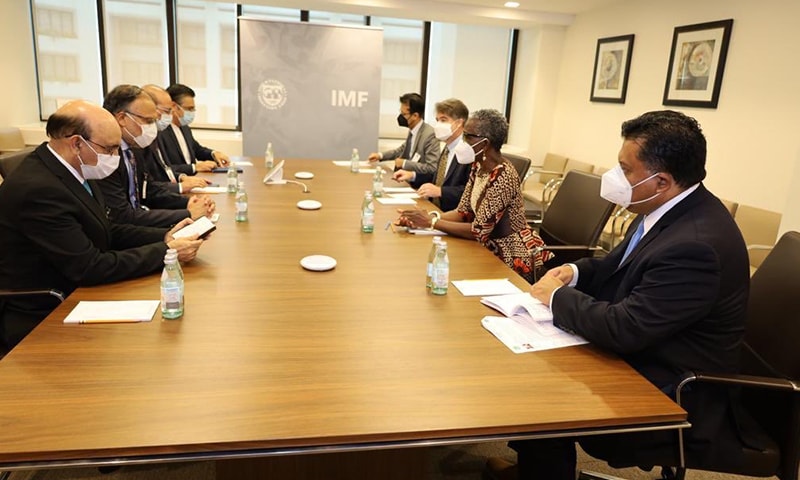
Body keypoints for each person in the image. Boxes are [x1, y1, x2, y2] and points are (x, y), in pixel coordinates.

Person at [484, 110, 751, 480]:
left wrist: (557, 298)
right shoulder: (666, 207)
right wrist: (574, 273)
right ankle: (535, 467)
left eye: (626, 170)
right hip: (650, 351)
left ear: (662, 181)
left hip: (675, 387)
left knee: (543, 388)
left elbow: (626, 329)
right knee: (530, 363)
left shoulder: (696, 245)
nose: (616, 177)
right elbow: (618, 264)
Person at [0, 100, 204, 352]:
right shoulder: (39, 189)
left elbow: (108, 229)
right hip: (45, 311)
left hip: (78, 293)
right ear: (76, 143)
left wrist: (164, 237)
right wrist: (167, 253)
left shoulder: (76, 170)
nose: (115, 157)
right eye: (109, 149)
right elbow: (89, 267)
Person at [395, 109, 548, 284]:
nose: (463, 140)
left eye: (468, 136)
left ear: (484, 144)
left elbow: (479, 231)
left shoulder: (504, 175)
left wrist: (431, 223)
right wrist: (424, 218)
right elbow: (463, 212)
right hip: (486, 248)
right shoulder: (478, 166)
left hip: (511, 257)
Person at [98, 84, 215, 228]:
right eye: (148, 121)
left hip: (138, 225)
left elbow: (149, 190)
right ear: (122, 118)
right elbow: (122, 216)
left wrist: (189, 203)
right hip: (124, 233)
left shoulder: (135, 147)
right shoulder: (104, 157)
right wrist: (187, 214)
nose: (152, 127)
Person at [392, 98, 471, 212]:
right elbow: (438, 178)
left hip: (451, 216)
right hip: (433, 209)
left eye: (443, 120)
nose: (438, 125)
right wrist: (412, 175)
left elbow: (471, 192)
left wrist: (440, 191)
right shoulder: (448, 147)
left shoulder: (469, 151)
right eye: (437, 120)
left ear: (459, 123)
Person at [142, 84, 210, 194]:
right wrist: (189, 172)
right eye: (167, 110)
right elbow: (149, 184)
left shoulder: (184, 128)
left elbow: (164, 169)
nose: (192, 113)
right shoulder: (156, 133)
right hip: (162, 196)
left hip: (174, 187)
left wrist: (181, 177)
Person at [160, 83, 230, 171]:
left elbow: (196, 149)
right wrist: (194, 167)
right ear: (174, 106)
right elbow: (164, 169)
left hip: (195, 179)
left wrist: (214, 154)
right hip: (180, 181)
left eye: (193, 109)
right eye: (189, 109)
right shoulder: (161, 131)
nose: (192, 112)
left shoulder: (185, 128)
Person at [367, 92, 440, 174]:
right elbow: (401, 150)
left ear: (415, 116)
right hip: (405, 178)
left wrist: (405, 163)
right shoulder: (413, 131)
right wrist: (380, 156)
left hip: (419, 183)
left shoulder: (429, 135)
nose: (401, 116)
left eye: (403, 114)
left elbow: (432, 167)